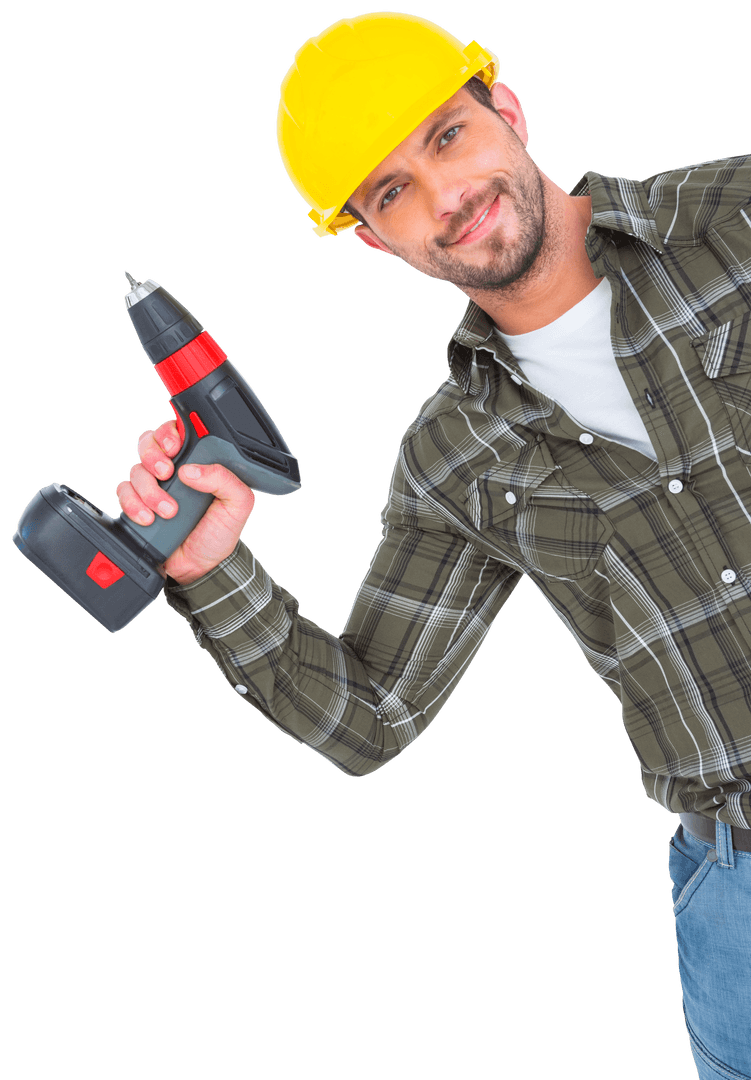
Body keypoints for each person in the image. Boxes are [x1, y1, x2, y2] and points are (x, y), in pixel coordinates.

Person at [114, 13, 751, 1079]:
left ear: (505, 109)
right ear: (372, 236)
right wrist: (213, 566)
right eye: (391, 191)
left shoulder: (733, 216)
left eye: (446, 138)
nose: (444, 197)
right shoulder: (456, 457)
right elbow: (371, 717)